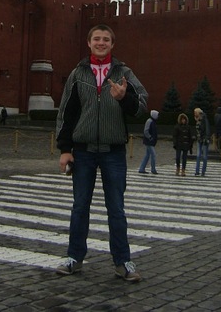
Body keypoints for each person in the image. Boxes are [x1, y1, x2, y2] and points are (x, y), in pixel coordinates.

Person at [55, 24, 148, 282]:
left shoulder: (123, 72)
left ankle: (123, 262)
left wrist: (124, 98)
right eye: (97, 38)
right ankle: (74, 258)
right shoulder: (78, 74)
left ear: (112, 44)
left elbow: (141, 105)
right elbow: (66, 113)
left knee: (116, 208)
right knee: (79, 207)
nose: (101, 42)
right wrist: (65, 150)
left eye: (106, 39)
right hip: (83, 151)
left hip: (113, 152)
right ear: (89, 42)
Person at [138, 110, 159, 174]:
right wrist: (150, 137)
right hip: (149, 141)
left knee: (147, 155)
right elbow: (146, 131)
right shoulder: (149, 121)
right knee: (153, 155)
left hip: (150, 141)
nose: (158, 116)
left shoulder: (152, 121)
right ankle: (153, 169)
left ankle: (142, 168)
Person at [194, 107, 210, 176]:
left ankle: (203, 171)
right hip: (199, 139)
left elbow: (207, 129)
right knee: (198, 155)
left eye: (195, 112)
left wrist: (206, 138)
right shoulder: (197, 120)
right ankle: (197, 171)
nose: (194, 114)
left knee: (204, 156)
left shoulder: (204, 119)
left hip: (204, 139)